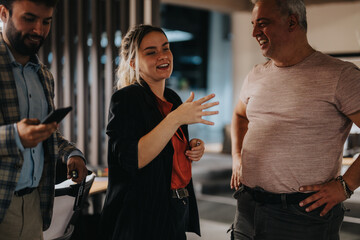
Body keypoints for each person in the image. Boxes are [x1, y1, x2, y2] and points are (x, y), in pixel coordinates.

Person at [229, 0, 360, 239]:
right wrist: (237, 156)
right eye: (253, 24)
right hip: (247, 208)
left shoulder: (340, 75)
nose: (254, 33)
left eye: (263, 24)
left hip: (303, 217)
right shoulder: (256, 75)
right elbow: (239, 115)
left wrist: (346, 186)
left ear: (292, 22)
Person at [99, 24, 219, 240]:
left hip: (174, 209)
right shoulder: (126, 98)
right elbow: (133, 158)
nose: (163, 56)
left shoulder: (173, 99)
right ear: (134, 63)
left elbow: (167, 152)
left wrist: (192, 148)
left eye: (166, 48)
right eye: (151, 52)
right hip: (140, 219)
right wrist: (176, 118)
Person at [0, 0, 88, 239]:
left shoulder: (44, 76)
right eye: (29, 19)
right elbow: (22, 134)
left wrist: (71, 153)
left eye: (46, 21)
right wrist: (15, 136)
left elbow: (42, 132)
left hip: (34, 204)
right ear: (4, 13)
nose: (39, 29)